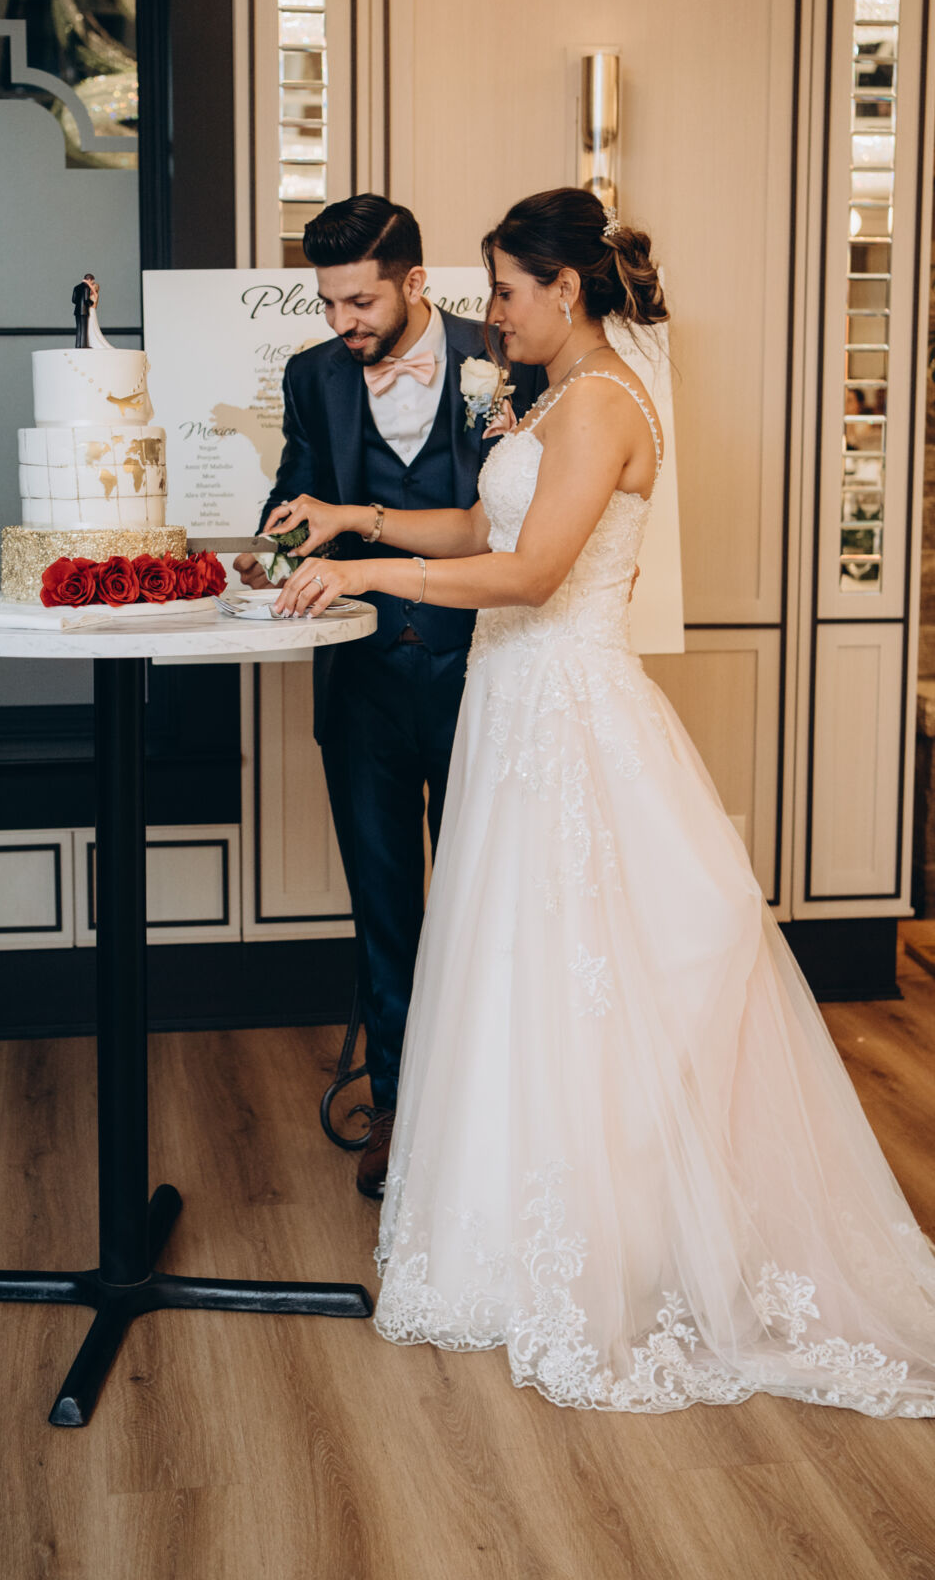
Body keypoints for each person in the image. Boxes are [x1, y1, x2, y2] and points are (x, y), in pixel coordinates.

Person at [265, 186, 935, 1419]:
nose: (492, 313)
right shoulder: (556, 395)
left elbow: (529, 572)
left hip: (567, 709)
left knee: (593, 971)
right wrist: (357, 514)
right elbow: (481, 518)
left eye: (507, 291)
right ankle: (533, 1223)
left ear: (565, 289)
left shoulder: (603, 402)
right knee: (521, 970)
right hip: (516, 705)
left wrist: (363, 570)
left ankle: (626, 1238)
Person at [235, 194, 544, 1198]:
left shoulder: (505, 355)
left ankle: (489, 1117)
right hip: (362, 680)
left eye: (359, 302)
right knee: (384, 910)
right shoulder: (312, 376)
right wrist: (275, 541)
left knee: (485, 901)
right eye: (327, 304)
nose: (342, 323)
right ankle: (401, 1112)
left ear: (414, 281)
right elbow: (297, 486)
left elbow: (521, 517)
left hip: (483, 667)